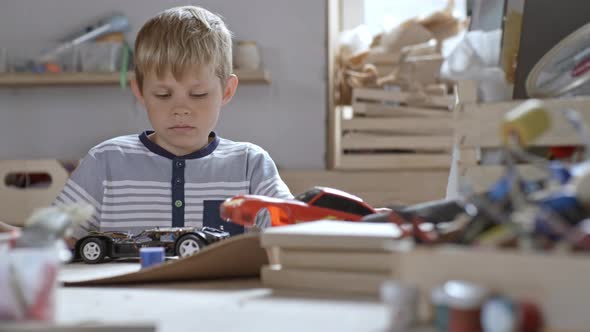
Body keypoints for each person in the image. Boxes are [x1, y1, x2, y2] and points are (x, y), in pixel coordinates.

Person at [50, 5, 292, 244]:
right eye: (163, 95)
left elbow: (295, 231)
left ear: (227, 91)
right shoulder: (106, 161)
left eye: (198, 94)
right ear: (140, 92)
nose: (180, 109)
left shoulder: (251, 165)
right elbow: (50, 238)